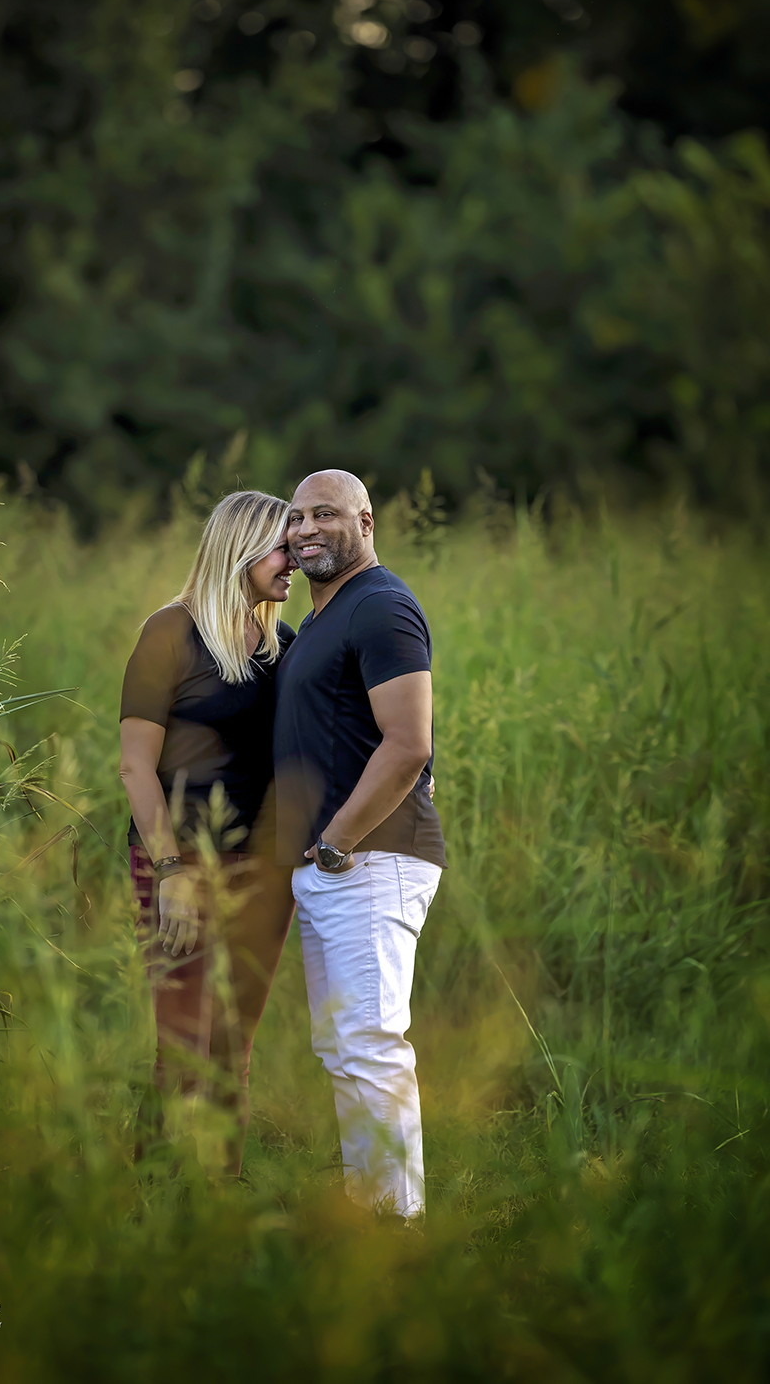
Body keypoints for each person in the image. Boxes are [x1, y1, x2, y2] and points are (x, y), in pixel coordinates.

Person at [274, 469, 446, 1218]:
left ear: (366, 522)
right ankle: (367, 1222)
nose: (306, 528)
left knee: (371, 1046)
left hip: (372, 858)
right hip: (336, 864)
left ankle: (396, 1235)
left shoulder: (381, 606)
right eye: (296, 517)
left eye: (325, 514)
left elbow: (408, 745)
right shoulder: (324, 617)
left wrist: (337, 843)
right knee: (345, 1050)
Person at [119, 491, 296, 1175]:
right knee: (184, 1039)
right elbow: (136, 766)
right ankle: (151, 1196)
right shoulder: (168, 632)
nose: (296, 562)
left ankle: (220, 1204)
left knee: (233, 1046)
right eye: (284, 547)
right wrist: (170, 872)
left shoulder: (281, 642)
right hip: (176, 861)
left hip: (257, 868)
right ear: (243, 548)